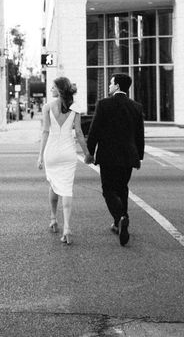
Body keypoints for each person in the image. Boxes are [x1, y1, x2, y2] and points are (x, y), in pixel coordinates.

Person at [84, 73, 145, 246]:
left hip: (108, 156)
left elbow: (94, 130)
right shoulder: (136, 107)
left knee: (108, 190)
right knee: (122, 188)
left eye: (111, 83)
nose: (109, 86)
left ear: (117, 86)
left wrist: (90, 152)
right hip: (128, 157)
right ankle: (119, 223)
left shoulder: (104, 104)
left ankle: (121, 217)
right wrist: (138, 156)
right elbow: (139, 135)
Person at [37, 77, 91, 245]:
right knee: (66, 189)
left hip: (51, 152)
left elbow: (45, 132)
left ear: (59, 90)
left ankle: (53, 218)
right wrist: (87, 153)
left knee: (53, 185)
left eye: (53, 87)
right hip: (68, 153)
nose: (51, 89)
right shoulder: (75, 109)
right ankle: (67, 227)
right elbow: (80, 134)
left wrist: (40, 156)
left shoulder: (47, 107)